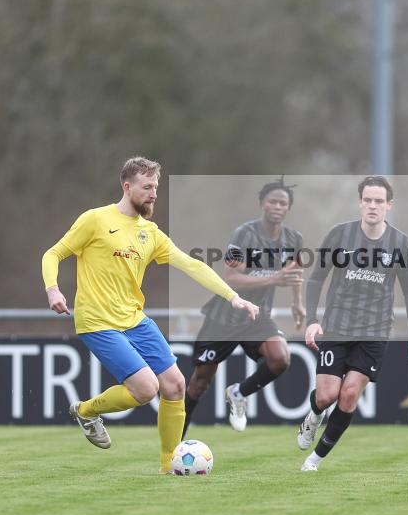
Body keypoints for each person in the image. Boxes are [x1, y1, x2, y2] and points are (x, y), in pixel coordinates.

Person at [41, 157, 258, 474]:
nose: (154, 193)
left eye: (156, 187)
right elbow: (53, 253)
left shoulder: (150, 233)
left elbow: (191, 265)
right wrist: (53, 290)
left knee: (176, 385)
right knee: (145, 388)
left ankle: (169, 466)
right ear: (127, 187)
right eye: (147, 187)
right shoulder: (95, 220)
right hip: (97, 321)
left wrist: (233, 297)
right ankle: (86, 411)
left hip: (134, 319)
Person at [299, 175, 408, 471]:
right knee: (327, 396)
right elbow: (316, 279)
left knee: (348, 396)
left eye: (379, 201)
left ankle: (313, 461)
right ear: (360, 203)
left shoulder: (400, 243)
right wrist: (312, 320)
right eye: (367, 200)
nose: (373, 206)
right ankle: (314, 414)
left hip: (375, 331)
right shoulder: (339, 235)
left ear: (389, 205)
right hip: (337, 326)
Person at [183, 177, 305, 437]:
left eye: (283, 203)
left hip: (256, 317)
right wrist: (274, 278)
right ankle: (173, 443)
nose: (277, 206)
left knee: (280, 359)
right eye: (272, 201)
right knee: (200, 382)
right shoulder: (244, 235)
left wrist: (297, 302)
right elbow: (232, 278)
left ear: (288, 208)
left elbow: (295, 271)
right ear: (262, 203)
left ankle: (239, 394)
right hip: (224, 317)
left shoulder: (294, 238)